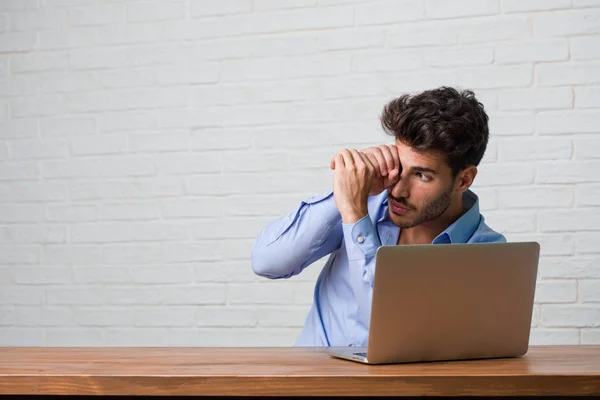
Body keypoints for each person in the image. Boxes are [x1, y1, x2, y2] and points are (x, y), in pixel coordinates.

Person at [251, 86, 506, 347]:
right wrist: (346, 190)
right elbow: (268, 262)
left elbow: (396, 335)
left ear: (464, 179)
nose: (397, 189)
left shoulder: (489, 255)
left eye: (421, 175)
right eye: (400, 167)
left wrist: (354, 216)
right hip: (313, 383)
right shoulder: (367, 201)